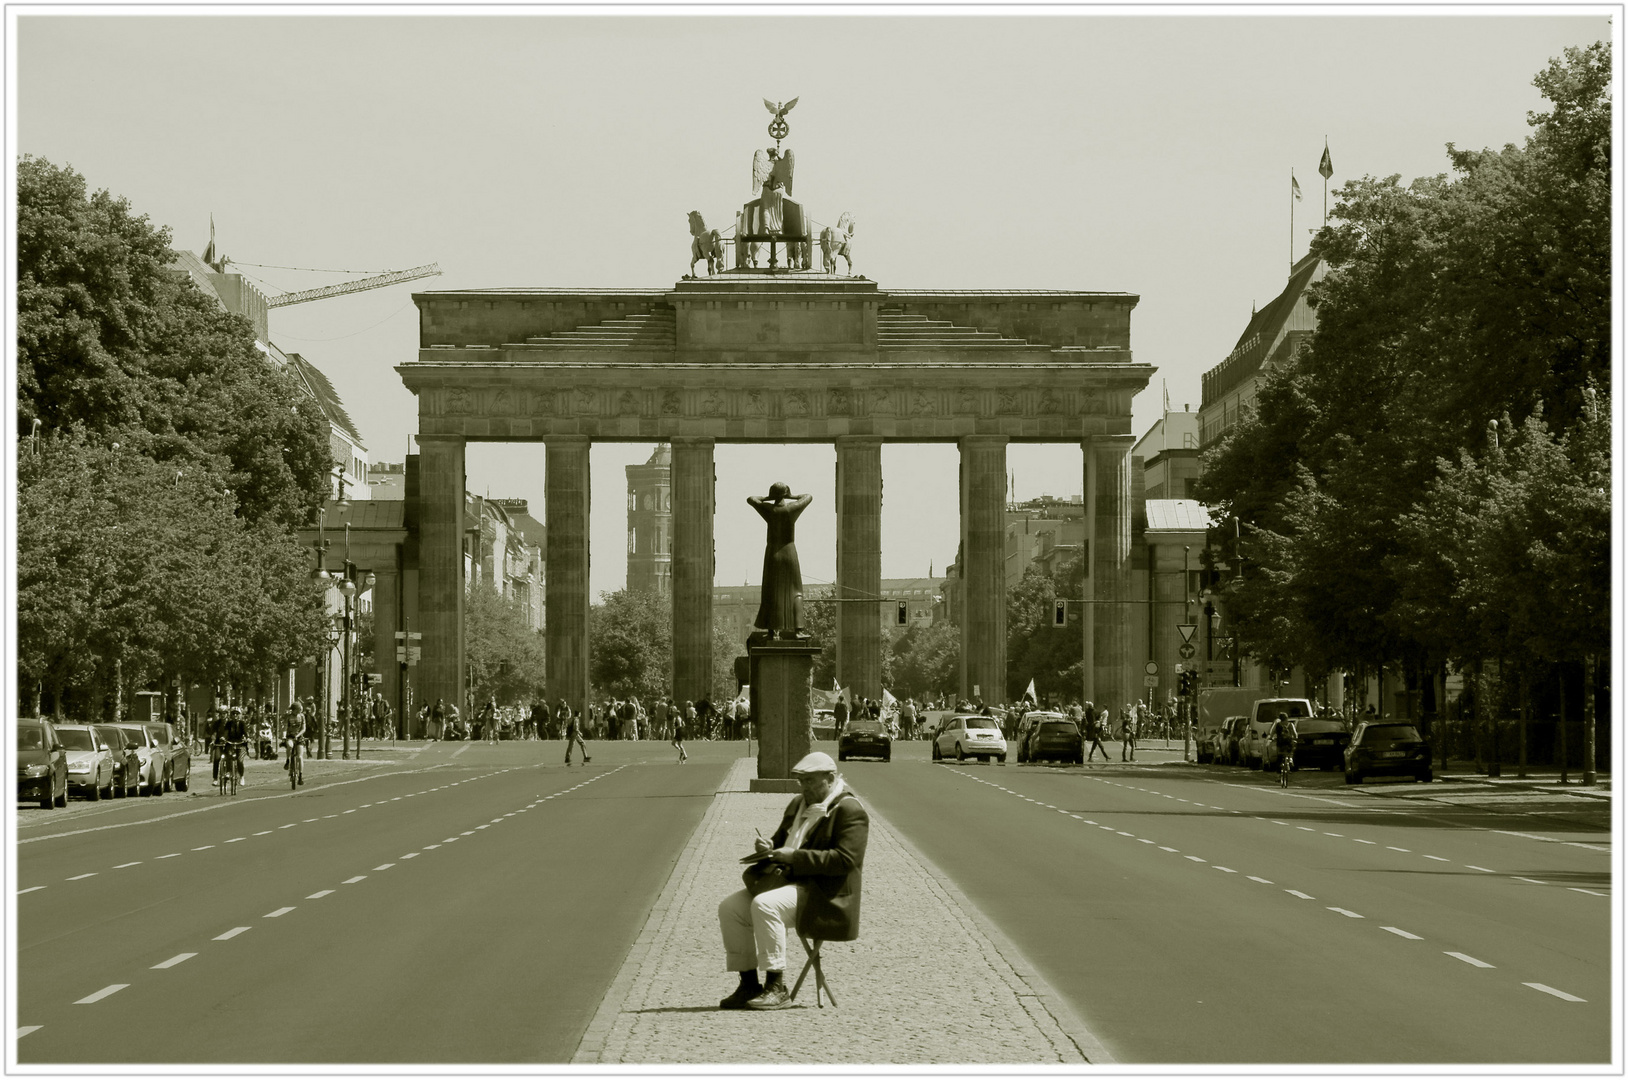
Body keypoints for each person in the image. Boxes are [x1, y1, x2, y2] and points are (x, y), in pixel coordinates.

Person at [717, 751, 868, 1010]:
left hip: (825, 895)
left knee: (765, 905)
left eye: (811, 781)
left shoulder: (850, 811)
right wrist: (769, 846)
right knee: (730, 908)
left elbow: (844, 861)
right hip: (787, 883)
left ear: (830, 778)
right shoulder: (797, 805)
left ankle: (776, 986)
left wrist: (795, 857)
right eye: (802, 781)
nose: (805, 787)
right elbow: (781, 842)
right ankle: (749, 984)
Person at [216, 707, 247, 786]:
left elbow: (245, 732)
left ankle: (242, 776)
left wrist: (247, 738)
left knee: (240, 760)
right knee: (228, 756)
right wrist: (224, 738)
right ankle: (229, 771)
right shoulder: (229, 723)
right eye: (233, 714)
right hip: (230, 743)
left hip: (240, 744)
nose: (235, 715)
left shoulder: (242, 723)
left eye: (237, 714)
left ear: (240, 715)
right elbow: (226, 733)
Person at [1270, 712, 1298, 784]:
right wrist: (1294, 738)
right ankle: (1290, 759)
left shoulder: (1278, 725)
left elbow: (1272, 733)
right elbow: (1295, 734)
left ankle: (1278, 776)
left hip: (1280, 743)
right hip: (1289, 743)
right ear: (1287, 718)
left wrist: (1271, 738)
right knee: (1290, 751)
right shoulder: (1290, 725)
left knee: (1279, 758)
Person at [284, 702, 308, 786]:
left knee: (300, 757)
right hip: (290, 736)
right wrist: (284, 736)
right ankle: (287, 760)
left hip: (299, 737)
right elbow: (285, 727)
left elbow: (304, 729)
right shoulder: (288, 717)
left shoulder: (302, 716)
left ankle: (300, 776)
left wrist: (297, 736)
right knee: (290, 746)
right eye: (298, 709)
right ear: (294, 710)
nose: (300, 711)